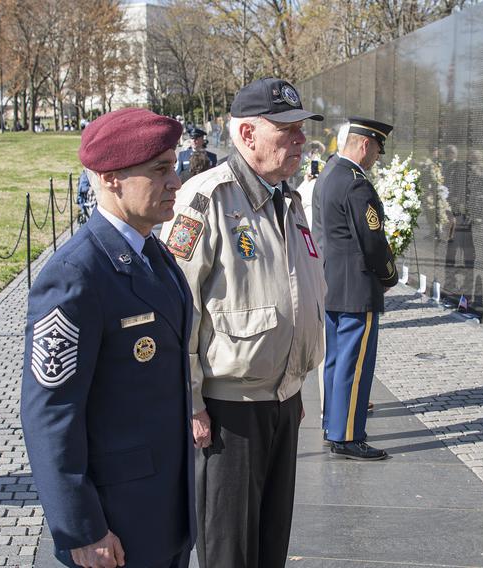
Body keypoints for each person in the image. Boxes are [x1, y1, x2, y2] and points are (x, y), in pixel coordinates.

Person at [160, 77, 326, 568]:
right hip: (227, 410)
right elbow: (178, 311)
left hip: (281, 400)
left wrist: (292, 386)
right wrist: (191, 403)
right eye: (286, 129)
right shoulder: (206, 199)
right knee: (230, 550)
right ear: (247, 135)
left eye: (301, 128)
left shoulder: (289, 201)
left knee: (271, 543)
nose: (299, 139)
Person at [20, 108, 196, 568]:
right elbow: (51, 412)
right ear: (111, 178)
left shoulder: (153, 252)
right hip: (116, 522)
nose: (175, 181)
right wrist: (80, 527)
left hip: (166, 504)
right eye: (160, 169)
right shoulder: (76, 275)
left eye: (174, 166)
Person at [316, 116, 397, 461]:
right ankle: (348, 436)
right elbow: (373, 241)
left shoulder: (329, 173)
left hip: (332, 283)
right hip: (356, 288)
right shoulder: (355, 184)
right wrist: (389, 275)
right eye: (378, 150)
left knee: (336, 361)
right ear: (365, 145)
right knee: (355, 364)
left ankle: (332, 424)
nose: (377, 157)